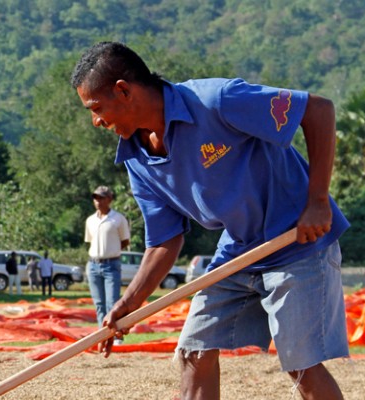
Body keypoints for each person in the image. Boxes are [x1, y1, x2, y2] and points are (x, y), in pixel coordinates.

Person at [71, 41, 349, 399]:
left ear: (123, 91)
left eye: (96, 108)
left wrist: (318, 201)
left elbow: (319, 111)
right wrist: (128, 304)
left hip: (299, 243)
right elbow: (164, 242)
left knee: (300, 363)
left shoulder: (216, 100)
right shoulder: (136, 159)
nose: (96, 121)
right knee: (194, 351)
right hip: (238, 250)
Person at [84, 185, 131, 343]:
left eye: (101, 197)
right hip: (93, 265)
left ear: (109, 199)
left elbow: (125, 241)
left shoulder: (118, 219)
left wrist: (111, 251)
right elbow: (90, 241)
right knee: (99, 304)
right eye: (95, 197)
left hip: (111, 264)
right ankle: (102, 335)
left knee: (113, 303)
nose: (98, 201)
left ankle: (117, 336)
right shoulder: (90, 220)